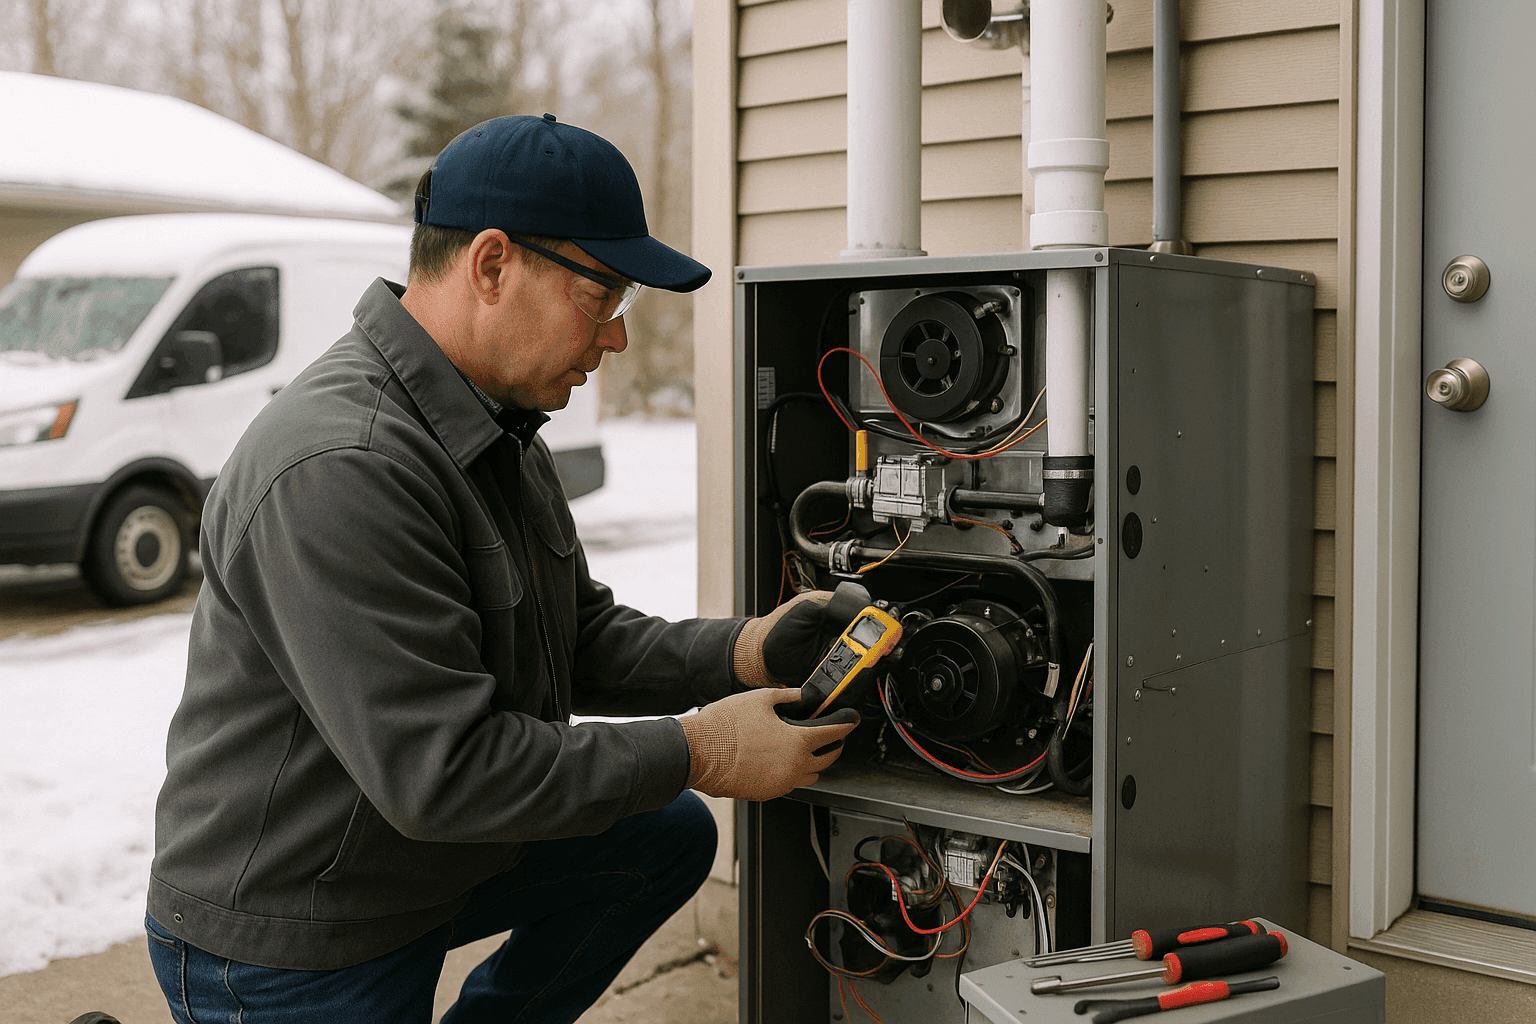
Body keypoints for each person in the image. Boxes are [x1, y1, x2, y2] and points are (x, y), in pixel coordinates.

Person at [145, 113, 860, 1023]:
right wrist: (702, 747)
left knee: (662, 835)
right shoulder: (343, 466)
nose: (616, 340)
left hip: (420, 851)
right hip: (303, 920)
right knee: (674, 791)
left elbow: (579, 635)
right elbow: (445, 772)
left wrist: (747, 652)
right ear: (492, 265)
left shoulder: (493, 425)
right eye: (603, 296)